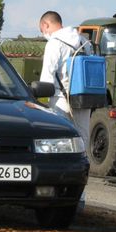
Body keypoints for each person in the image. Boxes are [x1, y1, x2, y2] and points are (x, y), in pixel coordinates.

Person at [38, 10, 92, 146]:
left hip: (60, 99)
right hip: (84, 98)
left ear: (45, 25)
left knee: (59, 140)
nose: (42, 33)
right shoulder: (84, 42)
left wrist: (37, 97)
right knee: (82, 138)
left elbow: (47, 77)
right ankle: (82, 166)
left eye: (41, 30)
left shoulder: (54, 43)